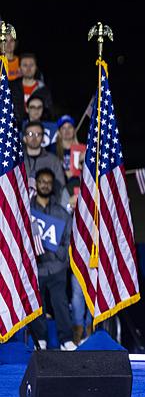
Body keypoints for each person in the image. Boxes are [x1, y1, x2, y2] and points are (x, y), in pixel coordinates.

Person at [28, 169, 76, 351]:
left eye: (48, 182)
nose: (45, 184)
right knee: (38, 304)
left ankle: (66, 340)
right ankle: (40, 339)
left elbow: (68, 237)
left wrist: (60, 255)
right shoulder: (28, 210)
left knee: (61, 303)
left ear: (52, 185)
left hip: (57, 267)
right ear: (36, 184)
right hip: (36, 268)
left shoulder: (61, 212)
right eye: (41, 181)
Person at [23, 121, 67, 204]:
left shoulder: (53, 160)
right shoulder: (17, 161)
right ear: (24, 138)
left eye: (38, 134)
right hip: (21, 209)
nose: (34, 138)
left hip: (46, 209)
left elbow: (60, 188)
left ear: (43, 138)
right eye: (30, 134)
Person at [10, 54, 53, 123]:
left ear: (36, 68)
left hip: (36, 129)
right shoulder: (11, 87)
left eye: (31, 65)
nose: (28, 69)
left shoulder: (43, 90)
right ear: (19, 68)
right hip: (14, 129)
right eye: (25, 65)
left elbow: (48, 113)